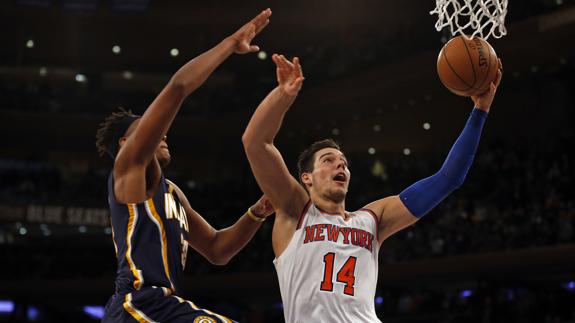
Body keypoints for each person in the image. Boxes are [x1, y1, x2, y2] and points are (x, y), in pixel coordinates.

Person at [242, 54, 503, 322]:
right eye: (328, 161)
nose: (339, 166)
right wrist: (283, 96)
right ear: (306, 178)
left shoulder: (372, 219)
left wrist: (480, 110)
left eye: (343, 162)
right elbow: (255, 142)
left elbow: (448, 178)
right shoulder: (295, 211)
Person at [95, 9, 274, 323]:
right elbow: (177, 88)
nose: (161, 131)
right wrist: (231, 43)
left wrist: (256, 213)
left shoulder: (172, 193)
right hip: (139, 304)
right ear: (125, 144)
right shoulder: (129, 168)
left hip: (164, 306)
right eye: (147, 128)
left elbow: (218, 249)